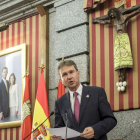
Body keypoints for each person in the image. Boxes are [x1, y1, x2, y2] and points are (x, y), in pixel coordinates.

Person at [51, 60, 117, 140]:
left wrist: (95, 130)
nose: (69, 77)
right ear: (61, 80)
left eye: (71, 72)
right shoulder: (59, 102)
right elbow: (59, 129)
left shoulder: (97, 92)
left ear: (78, 73)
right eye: (64, 74)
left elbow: (111, 120)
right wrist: (57, 137)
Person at [92, 5, 140, 83]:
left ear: (116, 13)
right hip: (118, 39)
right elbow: (104, 22)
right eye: (111, 15)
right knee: (118, 57)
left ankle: (123, 74)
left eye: (112, 14)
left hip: (124, 38)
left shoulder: (124, 17)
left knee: (124, 55)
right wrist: (96, 20)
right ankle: (120, 75)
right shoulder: (113, 21)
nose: (112, 15)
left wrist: (138, 10)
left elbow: (132, 14)